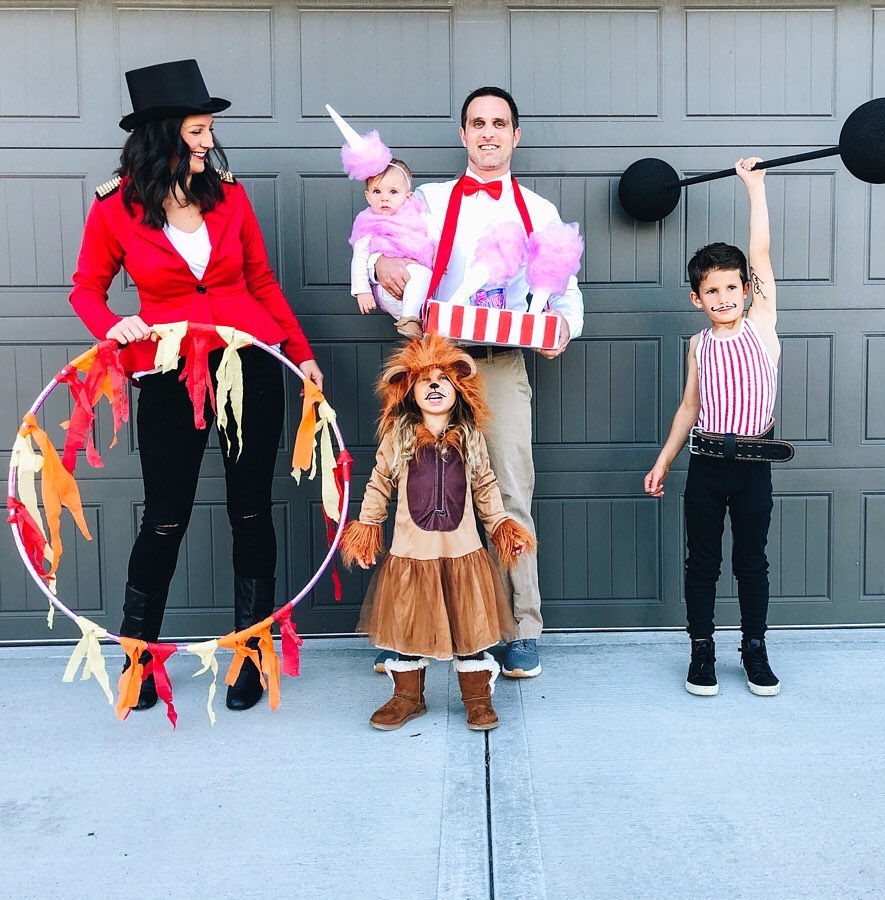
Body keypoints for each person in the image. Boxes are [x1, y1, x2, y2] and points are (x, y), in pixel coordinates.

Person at [68, 59, 323, 713]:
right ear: (163, 136)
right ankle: (138, 659)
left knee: (250, 510)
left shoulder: (230, 196)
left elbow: (262, 282)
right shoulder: (115, 209)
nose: (210, 141)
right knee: (165, 517)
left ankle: (249, 656)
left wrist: (301, 353)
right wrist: (111, 326)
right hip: (170, 371)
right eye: (199, 130)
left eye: (209, 130)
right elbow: (86, 290)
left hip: (249, 363)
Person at [372, 87, 584, 678]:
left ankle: (521, 628)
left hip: (502, 361)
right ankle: (417, 631)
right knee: (422, 497)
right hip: (432, 359)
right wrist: (377, 267)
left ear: (516, 136)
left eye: (499, 123)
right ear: (462, 134)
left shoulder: (538, 211)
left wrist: (561, 327)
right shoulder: (429, 201)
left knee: (511, 492)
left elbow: (566, 294)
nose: (488, 133)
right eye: (477, 123)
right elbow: (379, 243)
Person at [644, 158, 792, 697]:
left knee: (751, 562)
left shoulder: (762, 324)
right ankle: (701, 651)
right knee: (701, 563)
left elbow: (761, 253)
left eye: (733, 287)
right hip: (706, 466)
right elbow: (689, 408)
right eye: (713, 291)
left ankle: (754, 648)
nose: (724, 298)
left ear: (747, 289)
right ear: (697, 298)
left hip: (754, 467)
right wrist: (663, 460)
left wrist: (755, 189)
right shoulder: (699, 345)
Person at [340, 336, 535, 731]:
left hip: (463, 554)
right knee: (409, 628)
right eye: (424, 380)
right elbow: (379, 484)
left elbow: (486, 487)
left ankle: (477, 698)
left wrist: (501, 525)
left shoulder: (471, 437)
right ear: (409, 390)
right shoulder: (399, 438)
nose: (433, 386)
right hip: (412, 555)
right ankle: (407, 697)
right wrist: (368, 528)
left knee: (471, 629)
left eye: (443, 379)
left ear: (459, 388)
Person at [349, 158, 435, 337]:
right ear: (367, 196)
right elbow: (359, 257)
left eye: (393, 192)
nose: (384, 198)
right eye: (377, 191)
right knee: (421, 275)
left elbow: (433, 239)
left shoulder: (417, 217)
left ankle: (415, 325)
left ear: (408, 196)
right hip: (388, 288)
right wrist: (362, 291)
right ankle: (409, 319)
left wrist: (438, 258)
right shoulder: (369, 222)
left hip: (415, 287)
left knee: (424, 276)